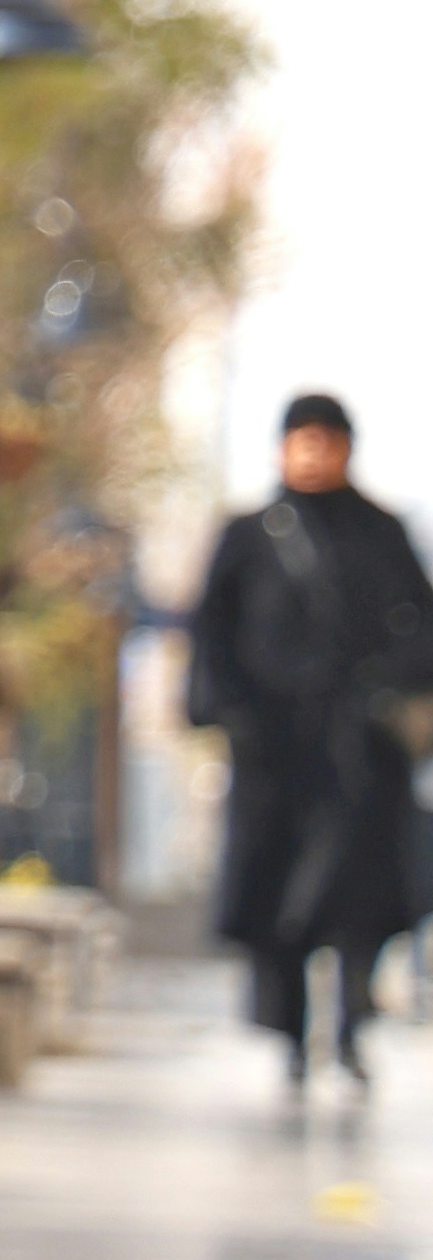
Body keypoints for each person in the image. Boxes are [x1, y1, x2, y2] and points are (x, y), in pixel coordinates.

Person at [184, 392, 433, 1092]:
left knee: (360, 890)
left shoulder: (381, 531)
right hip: (273, 748)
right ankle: (291, 1032)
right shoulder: (249, 534)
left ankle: (352, 1021)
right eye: (303, 440)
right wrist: (227, 710)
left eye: (328, 441)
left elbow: (420, 623)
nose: (315, 454)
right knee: (278, 898)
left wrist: (391, 687)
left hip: (359, 745)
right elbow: (211, 630)